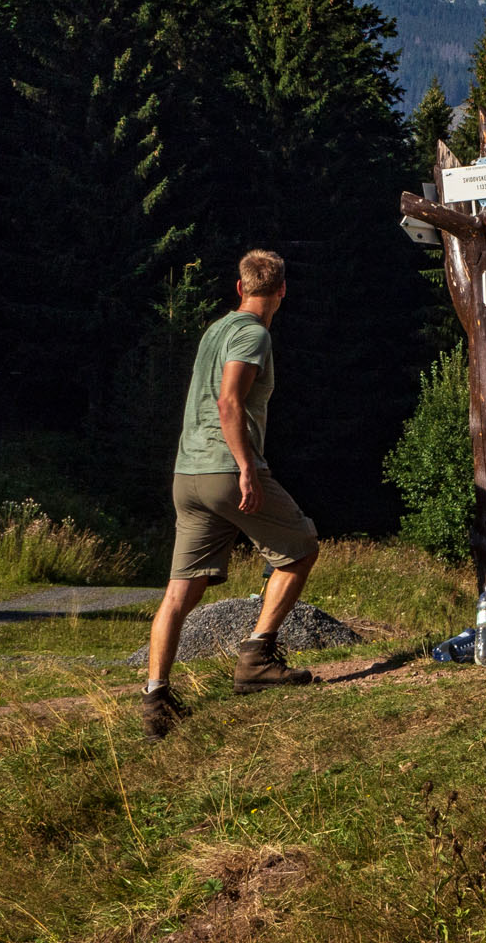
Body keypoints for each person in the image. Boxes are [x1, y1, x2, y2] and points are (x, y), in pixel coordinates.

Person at [141, 249, 320, 739]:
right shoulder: (252, 333)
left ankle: (156, 699)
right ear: (282, 291)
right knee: (300, 548)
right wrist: (246, 468)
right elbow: (228, 400)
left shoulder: (214, 329)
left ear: (239, 287)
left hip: (187, 474)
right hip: (226, 469)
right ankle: (257, 658)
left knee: (180, 592)